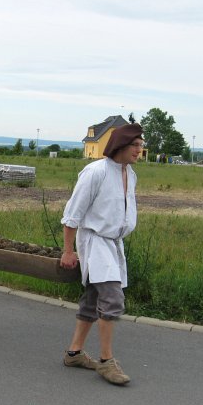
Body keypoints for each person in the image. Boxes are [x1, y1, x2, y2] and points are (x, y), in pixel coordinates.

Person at [59, 123, 143, 385]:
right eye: (135, 145)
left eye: (141, 146)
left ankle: (74, 353)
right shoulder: (95, 172)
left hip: (114, 244)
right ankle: (106, 361)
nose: (139, 151)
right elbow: (72, 214)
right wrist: (68, 250)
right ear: (120, 145)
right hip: (95, 241)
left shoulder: (130, 174)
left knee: (93, 297)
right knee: (112, 298)